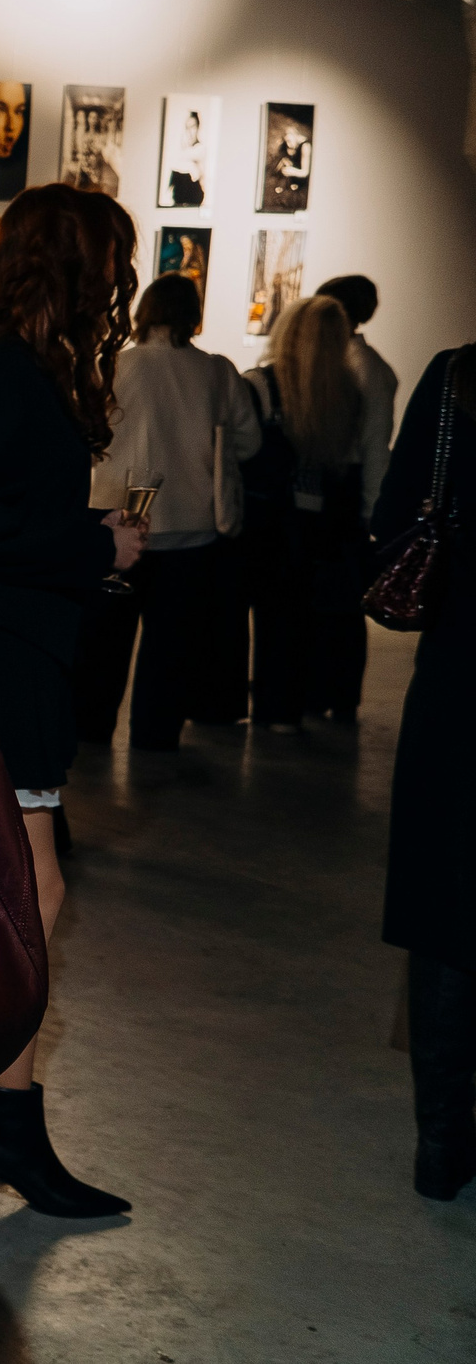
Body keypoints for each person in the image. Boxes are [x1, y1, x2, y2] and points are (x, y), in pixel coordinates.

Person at [0, 182, 142, 1218]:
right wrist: (97, 543)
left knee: (11, 893)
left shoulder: (6, 366)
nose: (118, 283)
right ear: (77, 264)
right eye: (110, 262)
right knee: (28, 897)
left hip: (13, 654)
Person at [72, 273, 261, 751]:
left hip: (117, 520)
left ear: (144, 310)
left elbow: (87, 436)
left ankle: (92, 731)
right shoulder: (218, 371)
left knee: (106, 641)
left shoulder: (115, 363)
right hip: (192, 528)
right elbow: (249, 439)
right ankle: (155, 737)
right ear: (193, 315)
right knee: (171, 647)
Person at [374, 345, 475, 1198]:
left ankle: (441, 1142)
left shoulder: (458, 377)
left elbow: (397, 511)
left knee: (448, 900)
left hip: (461, 678)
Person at [243, 294, 379, 731]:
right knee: (306, 618)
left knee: (270, 619)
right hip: (326, 525)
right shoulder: (348, 395)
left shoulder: (261, 384)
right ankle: (294, 706)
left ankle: (267, 705)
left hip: (271, 521)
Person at [320, 274, 398, 713]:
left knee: (342, 603)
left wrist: (370, 510)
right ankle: (335, 695)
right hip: (347, 493)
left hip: (346, 496)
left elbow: (373, 446)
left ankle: (338, 696)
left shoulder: (361, 368)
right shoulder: (362, 364)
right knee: (339, 601)